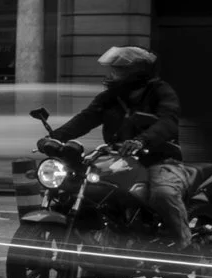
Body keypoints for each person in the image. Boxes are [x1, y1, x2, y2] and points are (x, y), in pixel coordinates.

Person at [46, 46, 190, 249]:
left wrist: (142, 140)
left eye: (120, 71)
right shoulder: (111, 97)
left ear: (137, 72)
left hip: (160, 159)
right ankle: (86, 271)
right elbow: (85, 118)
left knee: (163, 194)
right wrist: (55, 138)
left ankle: (184, 246)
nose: (114, 75)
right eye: (113, 70)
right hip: (119, 158)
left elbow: (168, 120)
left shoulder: (161, 92)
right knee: (87, 190)